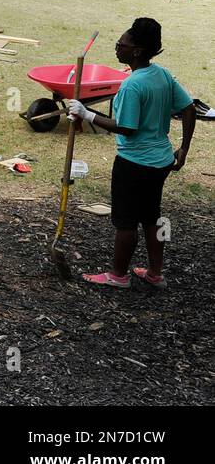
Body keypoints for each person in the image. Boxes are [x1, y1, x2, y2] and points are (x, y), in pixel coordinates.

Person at [68, 18, 196, 288]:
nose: (117, 48)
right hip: (161, 161)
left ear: (136, 50)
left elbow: (126, 128)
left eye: (121, 44)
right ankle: (155, 273)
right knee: (152, 216)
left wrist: (86, 113)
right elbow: (188, 108)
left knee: (126, 221)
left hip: (134, 163)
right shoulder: (161, 74)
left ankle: (118, 275)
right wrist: (184, 147)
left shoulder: (132, 85)